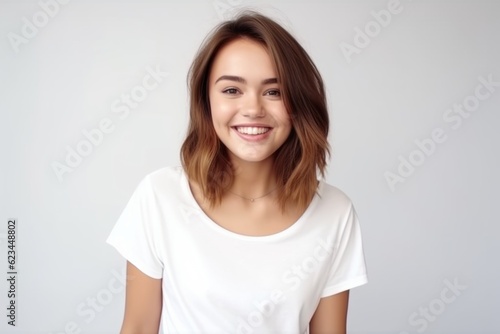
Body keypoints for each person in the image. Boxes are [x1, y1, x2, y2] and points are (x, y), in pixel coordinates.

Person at [106, 10, 368, 334]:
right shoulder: (159, 197)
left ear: (298, 102)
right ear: (207, 101)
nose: (253, 109)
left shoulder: (334, 213)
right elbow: (138, 327)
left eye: (274, 91)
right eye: (232, 90)